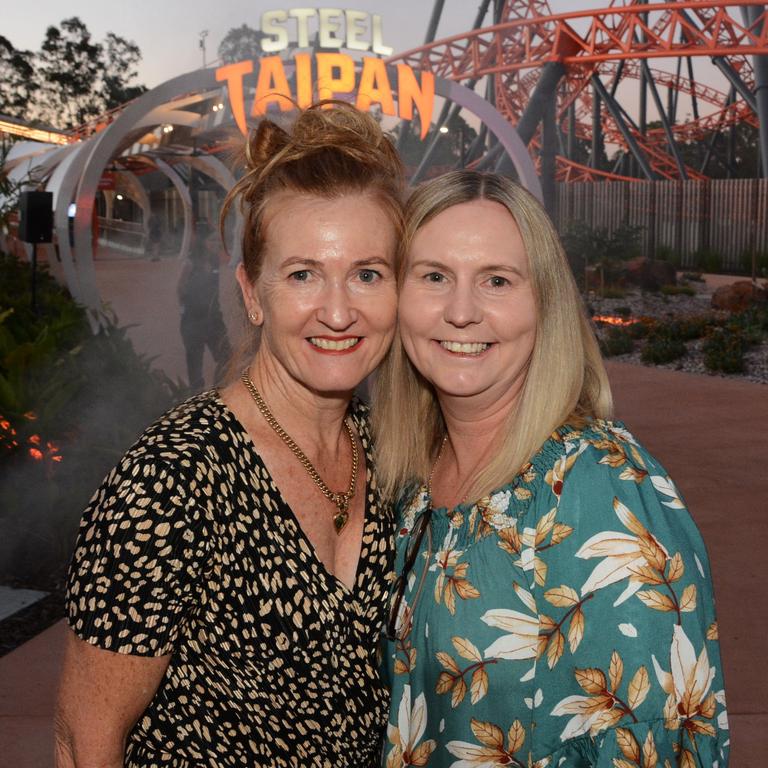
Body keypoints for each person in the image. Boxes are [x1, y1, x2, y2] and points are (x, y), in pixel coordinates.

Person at [54, 102, 404, 768]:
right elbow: (84, 738)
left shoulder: (394, 455)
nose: (338, 309)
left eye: (367, 273)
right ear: (252, 293)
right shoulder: (174, 478)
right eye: (303, 274)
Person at [374, 171, 729, 767]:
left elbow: (650, 740)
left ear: (545, 303)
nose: (461, 312)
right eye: (434, 276)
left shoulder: (592, 485)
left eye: (497, 281)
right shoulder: (414, 476)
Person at [177, 219, 232, 391]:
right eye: (212, 240)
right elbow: (180, 288)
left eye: (218, 240)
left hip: (214, 318)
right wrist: (185, 310)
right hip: (193, 321)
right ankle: (196, 400)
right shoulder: (191, 263)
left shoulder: (215, 260)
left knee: (227, 357)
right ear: (203, 242)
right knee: (195, 364)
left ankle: (218, 392)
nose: (216, 244)